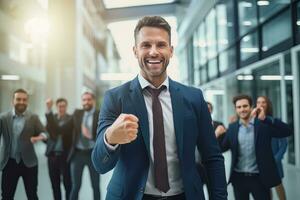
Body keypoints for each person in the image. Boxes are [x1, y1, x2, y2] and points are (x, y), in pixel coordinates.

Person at [92, 16, 227, 200]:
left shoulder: (194, 98)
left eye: (161, 45)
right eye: (146, 45)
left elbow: (212, 158)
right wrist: (110, 138)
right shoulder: (115, 98)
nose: (153, 52)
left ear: (171, 51)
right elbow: (100, 165)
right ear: (135, 51)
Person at [215, 94, 292, 200]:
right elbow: (220, 149)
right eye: (239, 107)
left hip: (260, 179)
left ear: (251, 107)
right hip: (239, 179)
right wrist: (216, 135)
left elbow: (287, 131)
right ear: (236, 109)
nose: (242, 109)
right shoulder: (232, 128)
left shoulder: (263, 125)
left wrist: (265, 119)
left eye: (245, 106)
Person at [46, 92, 100, 200]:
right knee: (75, 186)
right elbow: (59, 129)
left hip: (93, 154)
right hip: (77, 155)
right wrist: (49, 111)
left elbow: (105, 133)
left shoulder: (100, 114)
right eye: (84, 100)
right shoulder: (77, 113)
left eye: (89, 99)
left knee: (95, 186)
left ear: (93, 101)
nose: (86, 102)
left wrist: (91, 136)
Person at [0, 88, 48, 200]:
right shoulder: (3, 118)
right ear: (13, 101)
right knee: (6, 196)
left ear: (27, 102)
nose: (21, 102)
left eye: (24, 100)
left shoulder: (33, 117)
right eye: (18, 99)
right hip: (9, 163)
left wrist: (40, 137)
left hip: (29, 163)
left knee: (32, 195)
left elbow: (45, 133)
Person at [256, 96, 288, 200]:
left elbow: (284, 144)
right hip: (261, 161)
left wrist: (276, 159)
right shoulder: (255, 122)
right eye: (258, 102)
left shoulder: (274, 121)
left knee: (278, 186)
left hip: (275, 160)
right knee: (265, 187)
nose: (261, 104)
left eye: (263, 102)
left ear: (268, 104)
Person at [45, 98, 72, 200]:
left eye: (63, 106)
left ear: (66, 107)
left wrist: (48, 110)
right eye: (59, 106)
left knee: (67, 184)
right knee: (55, 185)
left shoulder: (71, 119)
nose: (61, 108)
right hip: (52, 156)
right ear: (56, 107)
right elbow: (48, 134)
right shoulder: (52, 119)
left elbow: (58, 130)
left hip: (65, 156)